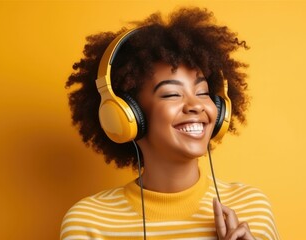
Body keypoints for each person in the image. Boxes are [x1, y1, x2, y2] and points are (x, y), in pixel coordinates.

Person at [61, 7, 280, 240]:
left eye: (203, 92)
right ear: (126, 115)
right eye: (171, 94)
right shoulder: (89, 222)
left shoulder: (253, 209)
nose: (195, 105)